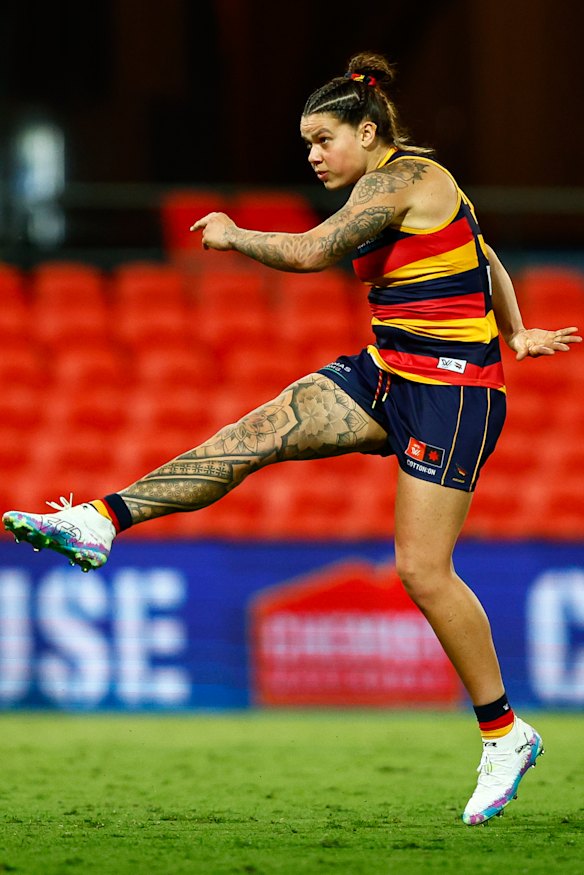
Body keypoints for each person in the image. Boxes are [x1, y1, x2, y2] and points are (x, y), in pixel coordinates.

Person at [3, 52, 581, 825]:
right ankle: (100, 519)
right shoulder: (417, 189)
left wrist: (238, 235)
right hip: (388, 371)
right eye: (306, 141)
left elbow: (313, 252)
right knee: (259, 429)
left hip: (454, 395)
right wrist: (517, 327)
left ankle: (505, 733)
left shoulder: (401, 178)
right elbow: (487, 256)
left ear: (367, 131)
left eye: (322, 138)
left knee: (421, 569)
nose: (312, 154)